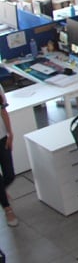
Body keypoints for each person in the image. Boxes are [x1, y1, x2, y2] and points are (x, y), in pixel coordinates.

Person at [1, 86, 17, 227]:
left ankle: (1, 190)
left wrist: (10, 134)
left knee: (10, 175)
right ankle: (7, 208)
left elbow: (3, 110)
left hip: (1, 138)